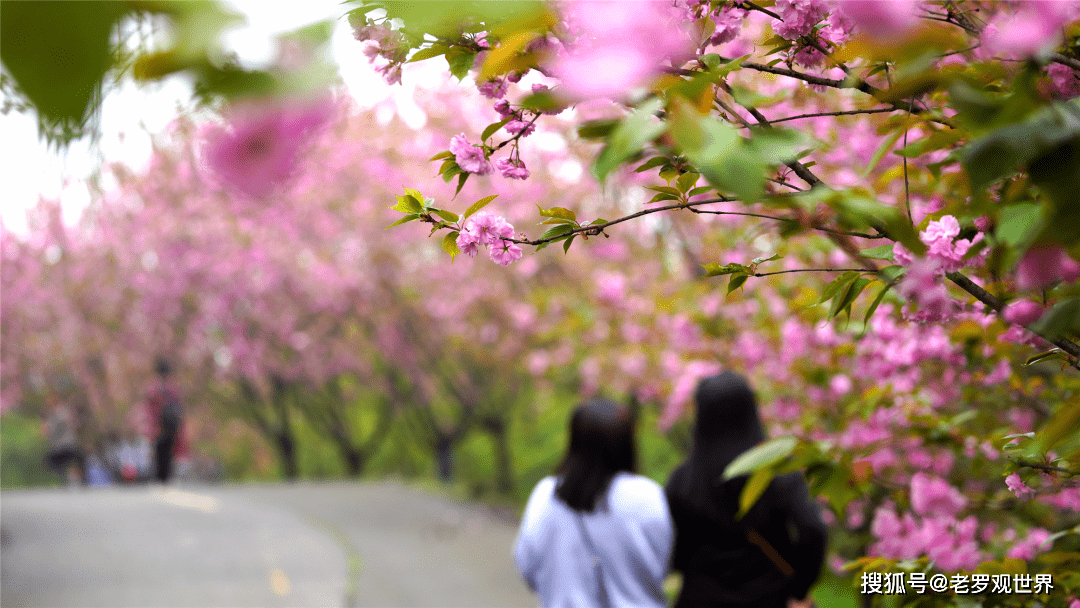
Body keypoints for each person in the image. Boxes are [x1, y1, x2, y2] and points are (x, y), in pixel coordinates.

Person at [665, 372, 827, 608]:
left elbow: (671, 547)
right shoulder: (777, 472)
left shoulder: (682, 480)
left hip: (700, 598)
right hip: (771, 597)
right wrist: (799, 588)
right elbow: (813, 529)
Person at [514, 398, 673, 608]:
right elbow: (664, 562)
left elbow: (527, 563)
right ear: (627, 443)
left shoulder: (548, 494)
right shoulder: (647, 494)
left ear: (574, 440)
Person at [145, 357, 183, 483]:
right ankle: (167, 477)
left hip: (158, 424)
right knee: (169, 450)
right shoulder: (173, 386)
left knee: (159, 450)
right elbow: (179, 404)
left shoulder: (154, 386)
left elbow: (150, 404)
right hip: (172, 424)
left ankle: (159, 477)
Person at [43, 402, 84, 487]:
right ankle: (66, 478)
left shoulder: (59, 417)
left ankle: (74, 477)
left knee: (75, 459)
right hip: (60, 449)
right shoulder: (53, 419)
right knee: (54, 462)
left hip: (67, 447)